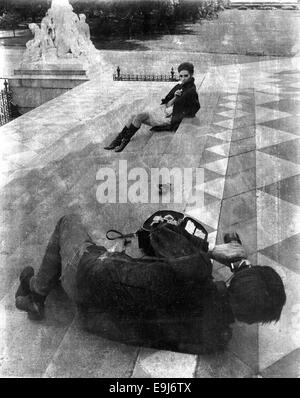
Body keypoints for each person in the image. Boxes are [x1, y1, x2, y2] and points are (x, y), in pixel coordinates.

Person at [15, 214, 286, 355]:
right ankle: (45, 287)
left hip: (87, 275)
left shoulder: (196, 269)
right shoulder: (218, 339)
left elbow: (159, 231)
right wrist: (243, 277)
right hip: (98, 320)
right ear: (252, 319)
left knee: (68, 221)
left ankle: (36, 293)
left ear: (235, 277)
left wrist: (211, 251)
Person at [104, 62, 200, 153]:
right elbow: (168, 104)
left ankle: (124, 142)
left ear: (191, 75)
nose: (183, 79)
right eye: (181, 76)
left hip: (168, 117)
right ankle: (118, 140)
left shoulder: (191, 91)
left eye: (186, 76)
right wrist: (175, 97)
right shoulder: (180, 86)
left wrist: (179, 116)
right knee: (133, 116)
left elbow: (195, 107)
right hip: (164, 112)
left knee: (138, 117)